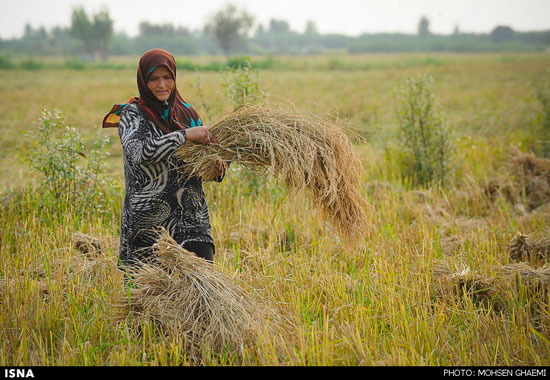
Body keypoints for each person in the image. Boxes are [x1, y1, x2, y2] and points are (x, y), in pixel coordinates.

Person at [102, 48, 225, 270]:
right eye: (154, 79)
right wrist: (185, 135)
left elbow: (203, 162)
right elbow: (139, 152)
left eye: (167, 78)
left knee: (200, 296)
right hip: (147, 228)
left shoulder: (187, 113)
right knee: (147, 299)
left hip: (192, 221)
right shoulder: (132, 115)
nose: (162, 85)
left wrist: (216, 168)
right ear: (143, 80)